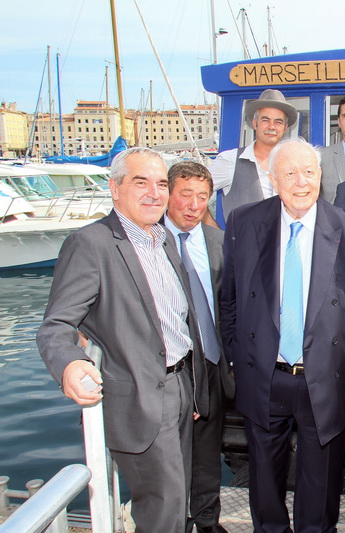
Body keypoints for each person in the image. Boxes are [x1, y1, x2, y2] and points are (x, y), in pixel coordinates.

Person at [36, 147, 208, 532]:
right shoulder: (91, 244)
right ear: (114, 189)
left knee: (177, 498)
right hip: (140, 399)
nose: (154, 193)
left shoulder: (161, 239)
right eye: (140, 182)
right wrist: (70, 363)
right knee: (164, 504)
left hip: (181, 389)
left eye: (161, 183)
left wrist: (194, 391)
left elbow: (178, 323)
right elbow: (56, 324)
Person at [219, 138, 345, 532]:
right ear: (273, 179)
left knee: (320, 475)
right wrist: (237, 360)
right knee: (262, 471)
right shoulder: (243, 222)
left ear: (321, 176)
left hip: (324, 375)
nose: (301, 181)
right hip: (264, 372)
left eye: (309, 171)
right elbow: (230, 300)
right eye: (289, 173)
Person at [164, 162, 236, 533]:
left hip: (212, 363)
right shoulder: (148, 243)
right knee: (173, 454)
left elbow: (230, 303)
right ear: (168, 194)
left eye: (202, 197)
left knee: (208, 449)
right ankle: (178, 521)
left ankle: (207, 519)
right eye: (185, 195)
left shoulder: (217, 241)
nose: (193, 205)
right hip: (172, 368)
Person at [208, 89, 297, 225]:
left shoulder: (295, 164)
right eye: (265, 120)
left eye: (278, 122)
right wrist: (216, 234)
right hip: (242, 246)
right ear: (255, 123)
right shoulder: (230, 160)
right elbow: (194, 193)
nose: (271, 126)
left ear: (285, 128)